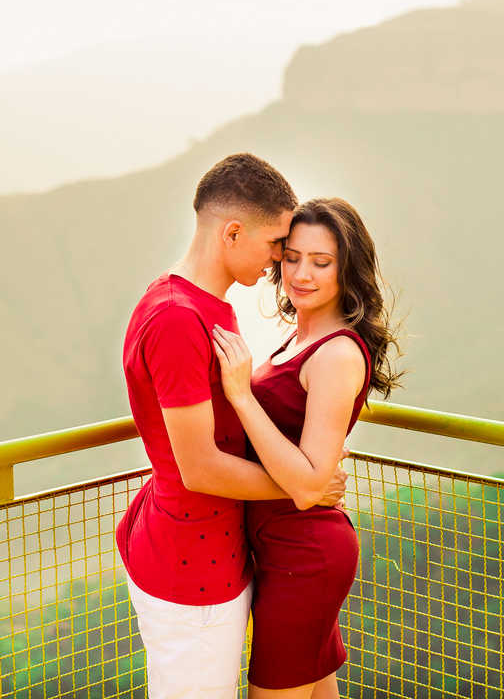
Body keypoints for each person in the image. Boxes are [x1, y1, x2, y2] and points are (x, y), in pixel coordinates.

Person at [115, 154, 349, 699]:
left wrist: (305, 481)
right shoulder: (177, 318)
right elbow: (198, 466)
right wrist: (304, 487)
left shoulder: (209, 308)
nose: (278, 263)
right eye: (275, 245)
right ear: (233, 232)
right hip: (190, 567)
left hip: (217, 553)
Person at [212, 197, 404, 699]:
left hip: (305, 554)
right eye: (292, 256)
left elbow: (307, 482)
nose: (301, 274)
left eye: (321, 263)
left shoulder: (337, 352)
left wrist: (239, 393)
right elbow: (308, 473)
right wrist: (312, 479)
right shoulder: (296, 337)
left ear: (348, 270)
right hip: (282, 548)